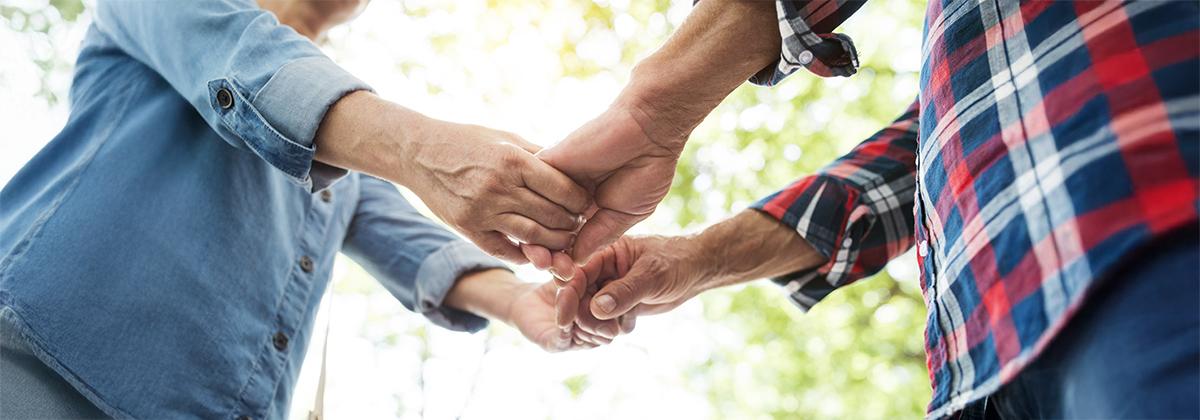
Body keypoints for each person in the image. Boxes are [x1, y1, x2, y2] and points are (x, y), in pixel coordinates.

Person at [553, 0, 1200, 418]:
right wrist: (697, 259)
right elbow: (936, 148)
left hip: (1142, 221)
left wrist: (654, 105)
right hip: (989, 368)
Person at [0, 0, 605, 418]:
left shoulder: (345, 167)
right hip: (41, 370)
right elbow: (241, 58)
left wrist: (525, 300)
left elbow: (413, 244)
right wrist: (423, 150)